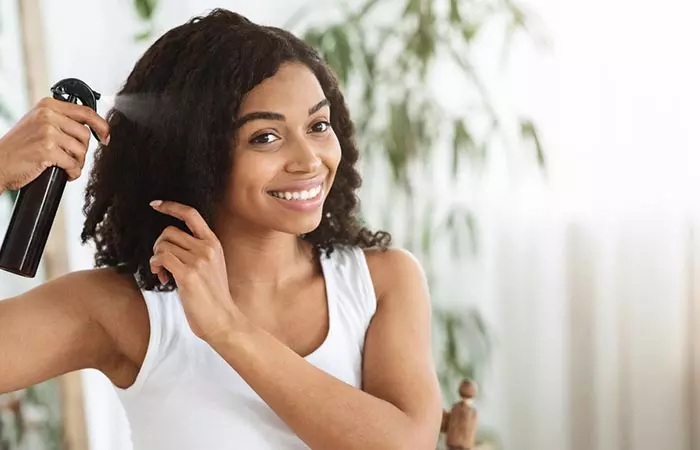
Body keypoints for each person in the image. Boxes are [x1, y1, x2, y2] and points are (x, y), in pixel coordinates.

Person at [0, 8, 441, 449]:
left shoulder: (381, 281)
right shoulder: (125, 310)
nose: (309, 160)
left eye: (318, 125)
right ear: (196, 155)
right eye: (264, 137)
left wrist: (228, 329)